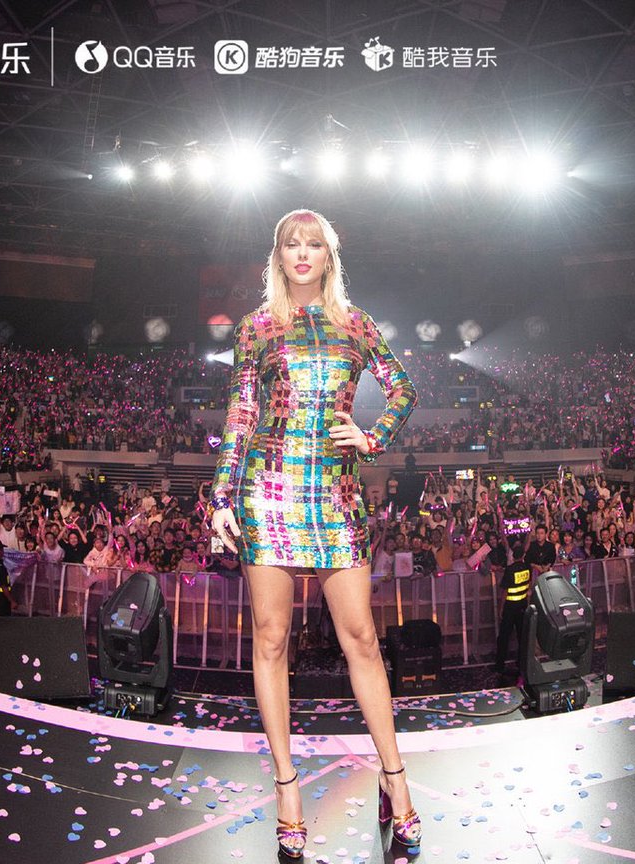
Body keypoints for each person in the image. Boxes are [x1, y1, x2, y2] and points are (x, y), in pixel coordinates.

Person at [210, 210, 420, 857]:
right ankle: (287, 788)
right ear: (278, 256)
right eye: (291, 244)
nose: (302, 253)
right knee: (271, 639)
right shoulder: (255, 327)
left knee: (362, 639)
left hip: (335, 493)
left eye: (313, 245)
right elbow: (241, 413)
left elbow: (403, 390)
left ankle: (395, 780)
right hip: (267, 490)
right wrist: (222, 496)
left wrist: (372, 437)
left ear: (329, 255)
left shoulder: (356, 324)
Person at [494, 546, 531, 681]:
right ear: (523, 556)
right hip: (522, 606)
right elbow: (528, 587)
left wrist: (500, 608)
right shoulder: (527, 568)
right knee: (522, 637)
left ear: (513, 556)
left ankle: (499, 666)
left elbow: (505, 591)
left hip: (510, 607)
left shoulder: (509, 570)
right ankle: (521, 664)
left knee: (504, 637)